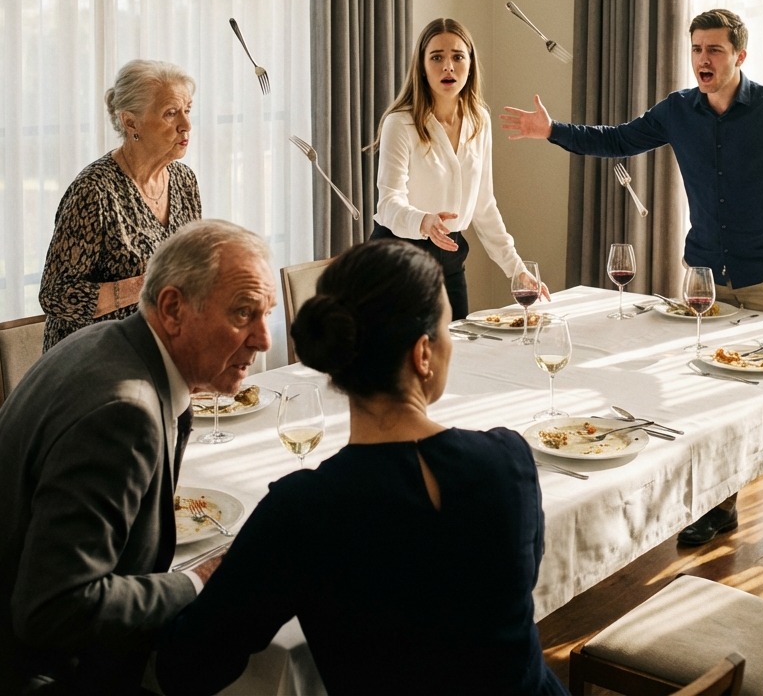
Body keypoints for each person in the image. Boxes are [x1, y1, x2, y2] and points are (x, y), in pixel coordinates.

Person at [502, 7, 763, 545]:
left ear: (739, 56)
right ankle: (718, 506)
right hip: (705, 278)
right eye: (696, 49)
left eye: (714, 49)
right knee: (710, 394)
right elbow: (617, 140)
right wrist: (552, 131)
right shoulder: (677, 111)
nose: (702, 59)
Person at [155, 238, 568, 696]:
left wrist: (219, 573)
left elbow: (188, 669)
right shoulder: (508, 460)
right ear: (422, 354)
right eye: (448, 329)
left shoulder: (302, 511)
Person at [0, 218, 275, 696]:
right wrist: (197, 580)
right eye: (242, 313)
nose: (264, 339)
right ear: (172, 309)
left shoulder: (104, 343)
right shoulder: (123, 413)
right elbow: (53, 608)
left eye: (266, 314)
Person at [369, 16, 544, 320]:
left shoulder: (479, 120)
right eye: (437, 57)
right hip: (397, 259)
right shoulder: (400, 124)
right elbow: (388, 204)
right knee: (407, 351)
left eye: (458, 57)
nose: (448, 67)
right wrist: (423, 221)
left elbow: (483, 205)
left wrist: (516, 269)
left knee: (459, 345)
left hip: (450, 257)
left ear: (470, 65)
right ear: (422, 67)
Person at [39, 59, 202, 350]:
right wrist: (147, 285)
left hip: (157, 351)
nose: (186, 125)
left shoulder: (184, 180)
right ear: (130, 122)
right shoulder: (94, 190)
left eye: (187, 110)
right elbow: (55, 295)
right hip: (91, 358)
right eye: (171, 113)